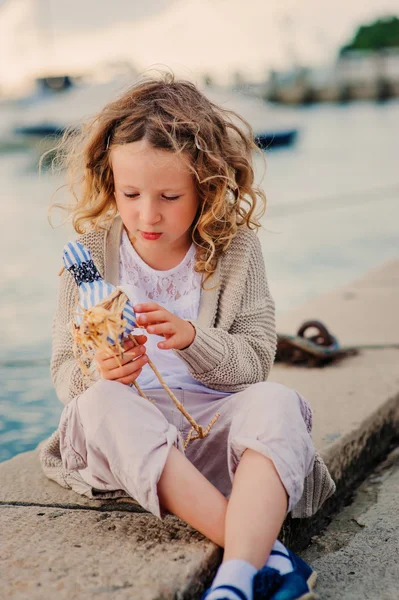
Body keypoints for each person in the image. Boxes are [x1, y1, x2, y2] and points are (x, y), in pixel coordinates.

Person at [45, 72, 335, 600]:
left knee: (277, 401)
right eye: (130, 193)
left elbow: (253, 363)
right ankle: (260, 557)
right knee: (103, 402)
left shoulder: (236, 251)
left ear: (207, 187)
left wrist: (191, 338)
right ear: (110, 183)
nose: (147, 214)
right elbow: (65, 372)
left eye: (170, 196)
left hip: (210, 426)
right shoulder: (87, 258)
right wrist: (100, 371)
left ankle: (231, 583)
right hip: (126, 439)